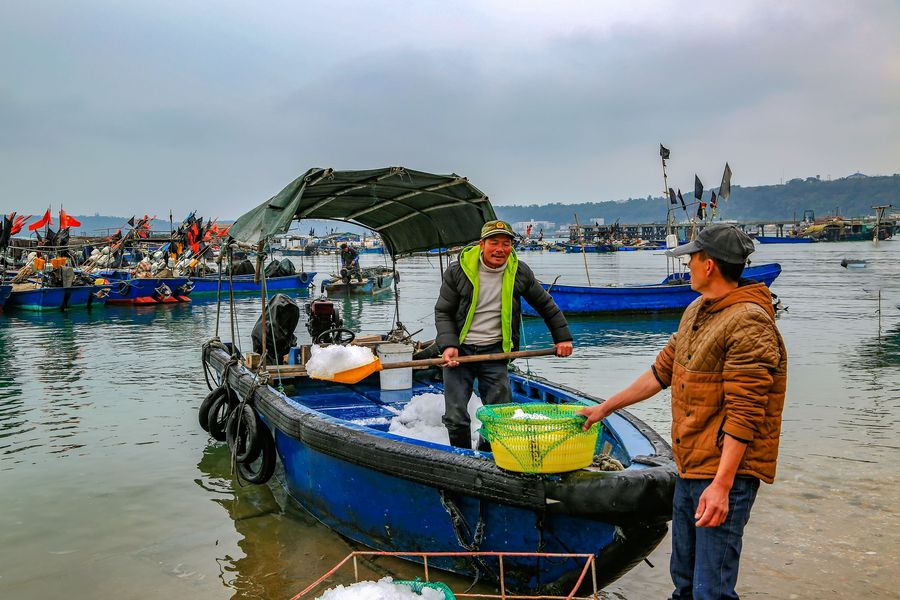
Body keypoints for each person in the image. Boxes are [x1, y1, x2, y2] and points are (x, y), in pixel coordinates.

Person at [578, 223, 787, 600]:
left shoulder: (751, 322)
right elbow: (661, 373)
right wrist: (604, 408)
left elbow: (746, 413)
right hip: (690, 465)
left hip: (727, 473)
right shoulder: (696, 310)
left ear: (709, 265)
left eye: (691, 258)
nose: (687, 264)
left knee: (712, 589)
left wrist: (722, 486)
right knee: (685, 582)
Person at [434, 219, 574, 449]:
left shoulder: (518, 271)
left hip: (495, 352)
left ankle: (488, 457)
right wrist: (448, 345)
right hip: (460, 352)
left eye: (506, 244)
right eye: (494, 243)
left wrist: (563, 338)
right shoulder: (459, 271)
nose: (500, 249)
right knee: (456, 416)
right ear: (482, 244)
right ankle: (461, 458)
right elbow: (443, 311)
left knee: (500, 416)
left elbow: (546, 305)